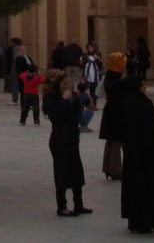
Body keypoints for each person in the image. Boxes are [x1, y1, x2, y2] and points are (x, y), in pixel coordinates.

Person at [118, 74, 154, 234]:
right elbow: (130, 132)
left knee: (150, 185)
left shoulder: (142, 102)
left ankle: (152, 218)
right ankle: (141, 220)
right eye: (142, 85)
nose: (145, 88)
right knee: (140, 187)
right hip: (139, 155)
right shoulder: (131, 104)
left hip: (150, 153)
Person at [42, 70, 90, 217]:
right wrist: (63, 100)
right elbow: (56, 117)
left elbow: (75, 115)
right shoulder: (50, 98)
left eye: (67, 83)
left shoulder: (67, 96)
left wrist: (76, 99)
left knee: (76, 172)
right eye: (63, 84)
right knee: (62, 173)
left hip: (71, 138)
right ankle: (62, 206)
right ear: (56, 85)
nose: (66, 86)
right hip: (59, 140)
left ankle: (79, 204)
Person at [98, 51, 126, 180]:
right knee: (115, 140)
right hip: (116, 111)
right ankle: (115, 170)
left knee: (111, 140)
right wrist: (121, 80)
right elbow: (111, 89)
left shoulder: (111, 74)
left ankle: (108, 168)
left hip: (112, 110)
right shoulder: (114, 76)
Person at [19, 61, 43, 126]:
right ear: (35, 71)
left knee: (25, 108)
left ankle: (22, 121)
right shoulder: (36, 78)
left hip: (26, 95)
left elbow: (20, 75)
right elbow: (42, 80)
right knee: (36, 109)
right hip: (34, 95)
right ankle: (36, 121)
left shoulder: (24, 76)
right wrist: (39, 74)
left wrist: (27, 72)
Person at [6, 38, 22, 103]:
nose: (10, 44)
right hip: (20, 68)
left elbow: (16, 59)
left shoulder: (15, 49)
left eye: (11, 42)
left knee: (14, 84)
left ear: (14, 43)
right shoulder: (21, 48)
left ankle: (15, 99)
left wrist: (13, 69)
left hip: (15, 68)